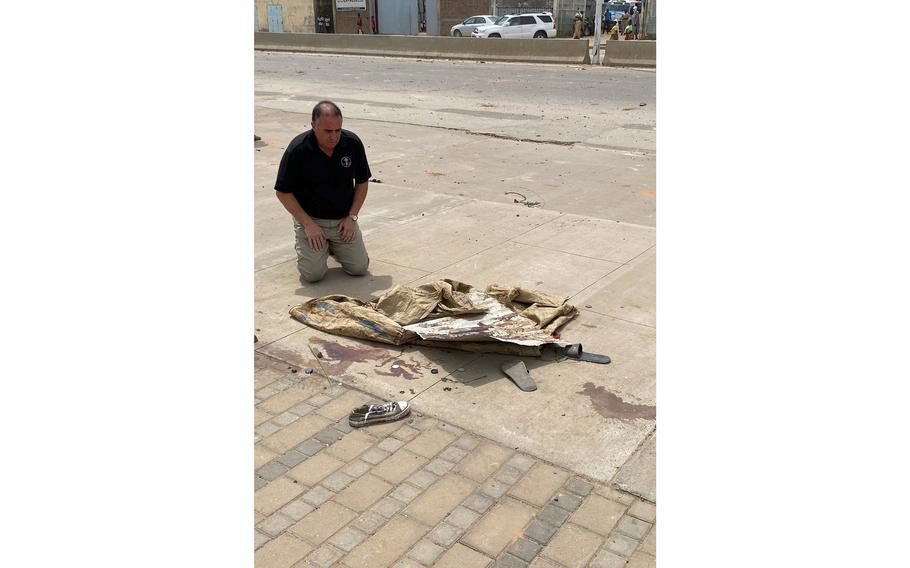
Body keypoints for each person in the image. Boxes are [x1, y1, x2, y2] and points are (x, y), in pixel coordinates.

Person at [274, 101, 372, 283]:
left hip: (343, 221)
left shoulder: (352, 143)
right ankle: (314, 246)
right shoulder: (298, 149)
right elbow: (283, 192)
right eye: (328, 131)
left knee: (359, 269)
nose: (334, 136)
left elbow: (362, 181)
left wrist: (352, 217)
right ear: (313, 126)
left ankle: (333, 246)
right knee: (313, 275)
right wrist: (307, 224)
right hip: (312, 221)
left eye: (338, 130)